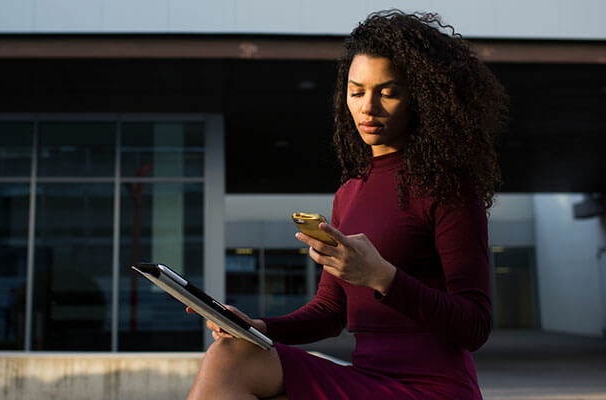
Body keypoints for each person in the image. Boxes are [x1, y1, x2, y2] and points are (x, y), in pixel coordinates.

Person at [186, 9, 509, 400]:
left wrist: (382, 277)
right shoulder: (350, 193)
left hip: (433, 388)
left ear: (420, 98)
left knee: (230, 362)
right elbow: (329, 312)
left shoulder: (449, 188)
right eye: (357, 91)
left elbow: (475, 325)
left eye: (387, 91)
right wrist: (257, 326)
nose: (367, 107)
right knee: (233, 351)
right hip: (367, 378)